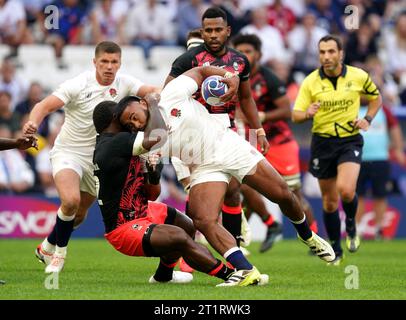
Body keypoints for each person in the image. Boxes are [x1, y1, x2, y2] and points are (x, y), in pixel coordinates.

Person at [116, 65, 336, 286]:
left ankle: (307, 235)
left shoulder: (171, 93)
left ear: (143, 103)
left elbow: (201, 72)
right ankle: (245, 270)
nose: (135, 123)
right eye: (130, 123)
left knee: (282, 193)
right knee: (202, 219)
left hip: (227, 146)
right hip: (203, 168)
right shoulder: (144, 143)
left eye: (134, 116)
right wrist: (152, 173)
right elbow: (152, 181)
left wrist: (229, 77)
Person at [23, 41, 160, 273]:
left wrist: (167, 95)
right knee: (70, 201)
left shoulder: (125, 83)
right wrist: (32, 123)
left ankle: (47, 245)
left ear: (120, 63)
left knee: (78, 215)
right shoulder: (78, 84)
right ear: (94, 63)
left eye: (113, 62)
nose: (109, 66)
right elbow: (44, 105)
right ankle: (58, 256)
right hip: (69, 152)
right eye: (104, 61)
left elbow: (152, 91)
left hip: (97, 158)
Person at [92, 99, 255, 286]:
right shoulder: (114, 143)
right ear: (116, 118)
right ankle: (231, 274)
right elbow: (157, 136)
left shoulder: (119, 144)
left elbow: (152, 194)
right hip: (124, 228)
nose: (133, 124)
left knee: (186, 225)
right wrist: (152, 104)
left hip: (142, 210)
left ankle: (163, 276)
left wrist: (153, 174)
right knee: (178, 237)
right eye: (128, 119)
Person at [164, 6, 269, 250]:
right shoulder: (186, 63)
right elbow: (166, 96)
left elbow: (246, 100)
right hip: (190, 132)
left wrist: (258, 131)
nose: (212, 35)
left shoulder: (237, 62)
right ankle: (188, 249)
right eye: (207, 31)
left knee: (232, 189)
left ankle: (236, 245)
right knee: (196, 193)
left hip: (223, 128)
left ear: (226, 31)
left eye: (217, 29)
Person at [292, 34, 382, 265]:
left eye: (331, 51)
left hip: (349, 140)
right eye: (322, 52)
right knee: (330, 202)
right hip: (322, 143)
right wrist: (307, 114)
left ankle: (350, 224)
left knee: (346, 190)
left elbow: (376, 98)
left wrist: (368, 119)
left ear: (341, 53)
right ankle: (335, 249)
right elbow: (296, 114)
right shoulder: (311, 81)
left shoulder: (358, 75)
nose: (326, 56)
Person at [232, 33, 318, 253]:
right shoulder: (231, 76)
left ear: (259, 54)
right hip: (250, 140)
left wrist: (261, 116)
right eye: (240, 51)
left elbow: (286, 110)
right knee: (246, 188)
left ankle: (314, 235)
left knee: (292, 194)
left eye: (249, 51)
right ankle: (239, 242)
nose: (244, 55)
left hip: (279, 141)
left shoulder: (268, 78)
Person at [356, 105, 405, 239]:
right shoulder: (352, 106)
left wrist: (399, 150)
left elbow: (394, 128)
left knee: (380, 195)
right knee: (357, 195)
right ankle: (358, 230)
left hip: (380, 158)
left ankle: (378, 230)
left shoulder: (383, 110)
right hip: (356, 158)